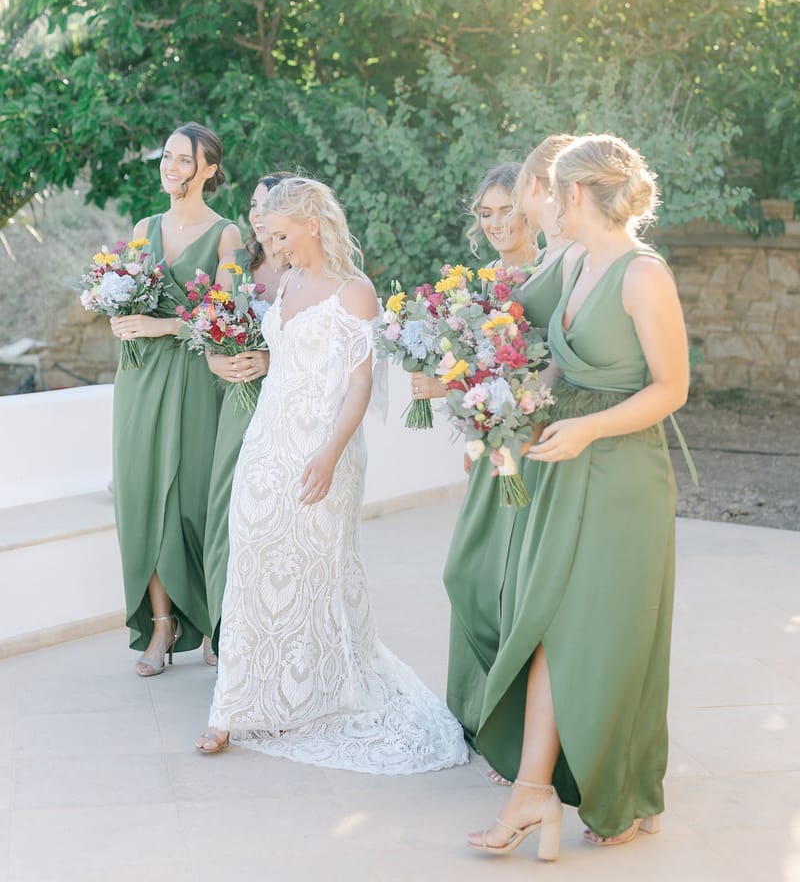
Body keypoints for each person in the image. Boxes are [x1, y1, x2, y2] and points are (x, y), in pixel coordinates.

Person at [195, 177, 467, 774]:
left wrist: (327, 453)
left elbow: (359, 385)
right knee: (252, 558)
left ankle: (312, 691)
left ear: (312, 223)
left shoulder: (355, 292)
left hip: (324, 447)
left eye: (283, 234)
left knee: (314, 566)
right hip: (266, 441)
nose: (277, 246)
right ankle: (235, 703)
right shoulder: (287, 280)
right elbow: (284, 362)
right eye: (270, 236)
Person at [468, 133, 689, 860]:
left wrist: (588, 428)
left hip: (623, 474)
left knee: (605, 634)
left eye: (546, 193)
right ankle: (542, 790)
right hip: (562, 462)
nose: (539, 208)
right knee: (551, 622)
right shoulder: (576, 264)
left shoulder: (640, 274)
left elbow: (672, 388)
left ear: (570, 196)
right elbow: (536, 350)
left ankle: (598, 790)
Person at [412, 145, 578, 783]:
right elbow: (474, 377)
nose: (496, 221)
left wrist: (470, 400)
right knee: (469, 573)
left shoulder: (555, 273)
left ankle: (512, 731)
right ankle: (474, 712)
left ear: (535, 209)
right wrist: (451, 403)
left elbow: (548, 371)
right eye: (485, 212)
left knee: (513, 584)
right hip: (490, 449)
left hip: (532, 450)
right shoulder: (473, 288)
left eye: (507, 209)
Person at [110, 122, 242, 676]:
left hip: (196, 378)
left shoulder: (228, 235)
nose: (171, 167)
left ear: (209, 169)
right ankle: (161, 627)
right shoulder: (145, 225)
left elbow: (228, 321)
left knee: (195, 502)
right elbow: (129, 299)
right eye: (167, 157)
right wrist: (120, 317)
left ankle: (214, 620)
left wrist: (160, 326)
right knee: (144, 501)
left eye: (184, 160)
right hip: (139, 382)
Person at [203, 173, 291, 661]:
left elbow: (326, 348)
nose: (258, 214)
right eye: (254, 205)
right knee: (226, 514)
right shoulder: (236, 266)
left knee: (270, 522)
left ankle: (266, 636)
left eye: (270, 205)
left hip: (284, 406)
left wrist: (271, 361)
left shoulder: (305, 268)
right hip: (237, 404)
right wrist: (219, 360)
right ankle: (223, 630)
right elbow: (212, 329)